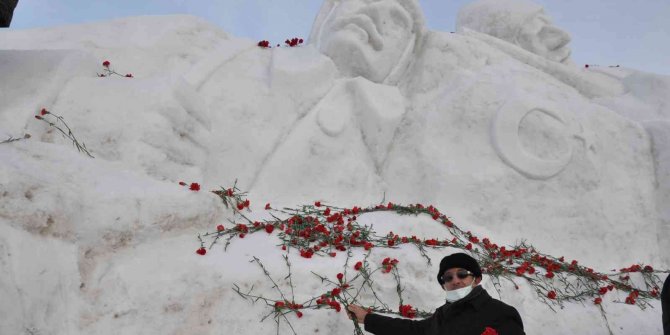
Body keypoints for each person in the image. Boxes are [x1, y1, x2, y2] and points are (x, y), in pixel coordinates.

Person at [347, 253, 525, 335]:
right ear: (444, 285)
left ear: (477, 279)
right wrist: (367, 318)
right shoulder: (441, 316)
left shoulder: (500, 313)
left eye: (462, 274)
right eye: (448, 277)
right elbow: (411, 331)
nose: (455, 280)